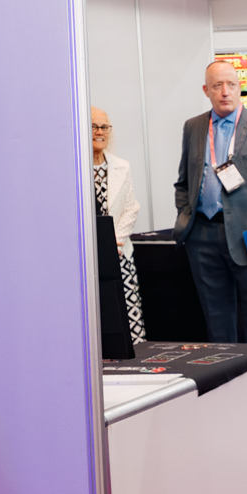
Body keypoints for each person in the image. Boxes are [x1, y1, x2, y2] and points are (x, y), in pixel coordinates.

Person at [174, 60, 247, 343]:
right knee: (216, 319)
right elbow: (183, 181)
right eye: (217, 85)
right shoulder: (193, 127)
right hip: (202, 235)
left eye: (231, 84)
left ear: (240, 88)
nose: (225, 91)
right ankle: (225, 370)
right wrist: (185, 214)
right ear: (206, 90)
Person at [91, 107, 144, 343]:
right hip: (88, 256)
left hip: (120, 251)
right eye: (93, 126)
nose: (99, 132)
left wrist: (115, 241)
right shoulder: (74, 169)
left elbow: (132, 207)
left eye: (104, 127)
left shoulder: (122, 166)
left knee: (128, 314)